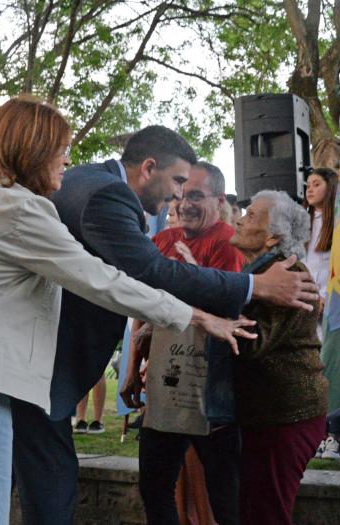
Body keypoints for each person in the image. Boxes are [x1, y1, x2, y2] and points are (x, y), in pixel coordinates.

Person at [0, 96, 254, 525]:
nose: (68, 160)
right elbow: (103, 280)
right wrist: (197, 316)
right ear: (34, 149)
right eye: (61, 150)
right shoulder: (22, 209)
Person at [11, 125, 318, 525]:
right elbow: (147, 277)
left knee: (238, 501)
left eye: (192, 192)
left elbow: (245, 337)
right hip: (72, 369)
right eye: (177, 183)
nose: (177, 197)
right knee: (92, 484)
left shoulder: (86, 178)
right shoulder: (109, 195)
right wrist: (250, 287)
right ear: (148, 168)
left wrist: (242, 290)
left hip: (230, 408)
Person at [126, 161, 246, 525]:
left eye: (196, 195)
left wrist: (192, 275)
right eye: (181, 193)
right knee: (154, 486)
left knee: (224, 493)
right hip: (164, 386)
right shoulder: (162, 241)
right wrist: (132, 369)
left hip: (213, 392)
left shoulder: (230, 243)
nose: (183, 203)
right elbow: (142, 311)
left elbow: (226, 312)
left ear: (219, 199)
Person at [229, 190, 328, 525]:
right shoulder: (262, 273)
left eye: (252, 215)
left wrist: (201, 312)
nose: (241, 219)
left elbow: (249, 341)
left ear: (273, 237)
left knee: (267, 514)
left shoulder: (287, 276)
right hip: (268, 415)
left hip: (285, 416)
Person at [301, 167, 340, 461]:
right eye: (307, 185)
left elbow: (338, 264)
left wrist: (326, 298)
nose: (310, 189)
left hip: (331, 304)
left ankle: (333, 435)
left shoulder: (339, 221)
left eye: (316, 184)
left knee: (331, 371)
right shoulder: (303, 222)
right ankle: (313, 433)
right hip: (307, 303)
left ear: (330, 187)